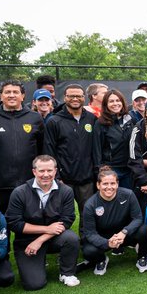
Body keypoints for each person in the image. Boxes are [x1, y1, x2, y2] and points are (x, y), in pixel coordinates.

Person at [5, 155, 82, 289]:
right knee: (34, 284)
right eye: (41, 171)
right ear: (34, 171)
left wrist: (40, 240)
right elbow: (14, 223)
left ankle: (67, 273)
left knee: (71, 238)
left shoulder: (66, 191)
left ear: (55, 171)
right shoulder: (19, 192)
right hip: (27, 242)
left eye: (49, 170)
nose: (46, 174)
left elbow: (67, 220)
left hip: (54, 237)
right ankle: (37, 263)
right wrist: (46, 229)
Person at [0, 80, 43, 214]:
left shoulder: (35, 118)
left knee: (28, 221)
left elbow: (43, 150)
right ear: (0, 96)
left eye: (16, 92)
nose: (11, 95)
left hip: (29, 183)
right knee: (1, 224)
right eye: (7, 92)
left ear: (23, 96)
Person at [80, 167, 147, 275]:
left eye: (112, 183)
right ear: (98, 185)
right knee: (88, 251)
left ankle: (142, 256)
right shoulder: (90, 204)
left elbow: (137, 218)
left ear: (117, 184)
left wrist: (124, 232)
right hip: (103, 236)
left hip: (124, 234)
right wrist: (107, 243)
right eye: (105, 184)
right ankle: (101, 260)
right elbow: (90, 233)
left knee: (144, 230)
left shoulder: (128, 194)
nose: (109, 187)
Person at [41, 84, 98, 214]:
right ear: (65, 98)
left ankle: (86, 235)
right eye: (71, 96)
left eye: (78, 96)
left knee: (88, 214)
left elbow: (96, 148)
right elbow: (49, 150)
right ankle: (60, 235)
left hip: (87, 179)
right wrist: (56, 176)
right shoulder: (54, 121)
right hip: (63, 180)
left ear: (84, 98)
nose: (75, 99)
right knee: (58, 214)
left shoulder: (92, 119)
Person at [94, 90, 136, 189]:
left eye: (118, 100)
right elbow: (96, 148)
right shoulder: (100, 123)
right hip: (111, 169)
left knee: (127, 199)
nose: (115, 103)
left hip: (129, 168)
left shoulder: (130, 119)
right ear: (106, 104)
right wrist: (100, 168)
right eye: (111, 101)